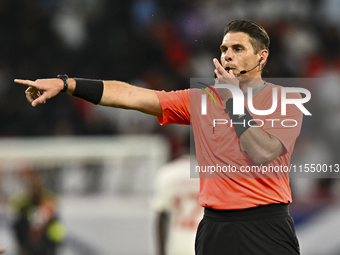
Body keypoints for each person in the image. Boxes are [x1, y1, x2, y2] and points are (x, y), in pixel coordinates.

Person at [16, 20, 303, 255]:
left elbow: (263, 152)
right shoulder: (200, 100)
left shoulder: (285, 100)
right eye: (224, 48)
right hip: (216, 228)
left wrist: (233, 102)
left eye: (238, 48)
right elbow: (129, 96)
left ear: (261, 56)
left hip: (266, 226)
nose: (227, 55)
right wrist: (67, 84)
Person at [152, 134, 203, 255]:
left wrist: (160, 251)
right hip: (204, 244)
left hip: (176, 246)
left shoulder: (167, 173)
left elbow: (161, 218)